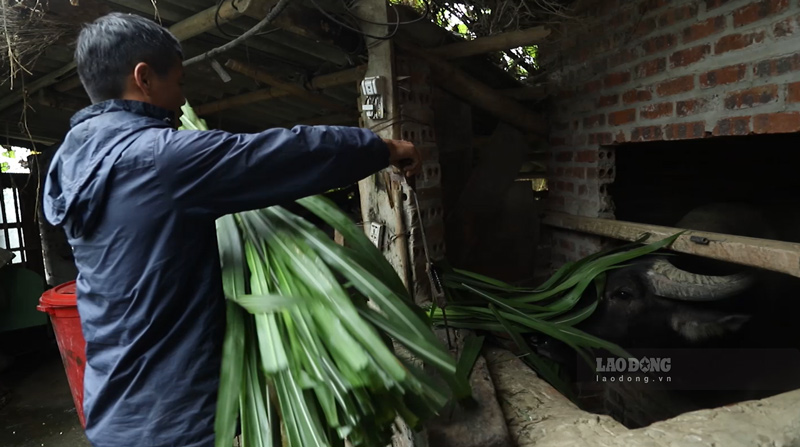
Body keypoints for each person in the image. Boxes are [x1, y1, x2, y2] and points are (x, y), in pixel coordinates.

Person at [42, 12, 421, 447]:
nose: (181, 100)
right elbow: (282, 154)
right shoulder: (158, 160)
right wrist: (382, 146)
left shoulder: (71, 163)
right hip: (173, 418)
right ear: (144, 78)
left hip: (112, 404)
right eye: (179, 84)